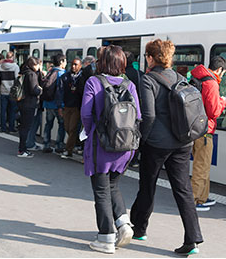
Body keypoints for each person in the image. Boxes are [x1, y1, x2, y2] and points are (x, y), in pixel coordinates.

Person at [130, 38, 204, 255]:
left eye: (146, 56)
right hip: (183, 142)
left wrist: (143, 139)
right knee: (183, 190)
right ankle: (193, 239)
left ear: (151, 58)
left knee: (148, 185)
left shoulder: (148, 80)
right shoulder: (181, 78)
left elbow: (149, 115)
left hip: (157, 144)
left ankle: (140, 229)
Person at [80, 45, 141, 254]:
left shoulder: (94, 82)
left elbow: (86, 114)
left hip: (101, 145)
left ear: (102, 62)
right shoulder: (130, 84)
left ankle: (105, 237)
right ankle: (123, 224)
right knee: (113, 185)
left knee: (101, 190)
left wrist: (90, 132)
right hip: (125, 147)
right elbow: (138, 116)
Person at [189, 56, 226, 211]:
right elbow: (214, 111)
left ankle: (202, 197)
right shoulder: (211, 82)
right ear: (219, 70)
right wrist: (223, 101)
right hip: (205, 130)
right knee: (201, 167)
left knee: (203, 165)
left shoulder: (197, 77)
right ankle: (193, 201)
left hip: (195, 127)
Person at [17, 56, 43, 158]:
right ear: (34, 65)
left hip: (22, 102)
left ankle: (22, 149)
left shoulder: (23, 72)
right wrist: (40, 90)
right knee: (26, 127)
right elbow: (34, 90)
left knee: (23, 127)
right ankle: (22, 150)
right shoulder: (31, 74)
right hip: (29, 104)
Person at [42, 53, 66, 153]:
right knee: (61, 124)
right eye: (65, 61)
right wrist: (61, 106)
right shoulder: (62, 74)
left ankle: (46, 144)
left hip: (48, 103)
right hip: (58, 104)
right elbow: (61, 91)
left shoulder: (50, 72)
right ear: (61, 62)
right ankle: (59, 145)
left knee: (48, 124)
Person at [60, 57, 83, 159]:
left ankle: (68, 150)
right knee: (67, 128)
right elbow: (60, 92)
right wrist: (60, 106)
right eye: (72, 64)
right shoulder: (65, 77)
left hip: (77, 107)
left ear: (80, 66)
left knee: (72, 128)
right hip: (66, 106)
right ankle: (76, 143)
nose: (73, 66)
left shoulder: (82, 78)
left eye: (76, 64)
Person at [0, 51, 19, 133]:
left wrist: (1, 88)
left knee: (3, 110)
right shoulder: (15, 67)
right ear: (12, 57)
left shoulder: (0, 66)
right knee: (12, 110)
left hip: (3, 91)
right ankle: (11, 127)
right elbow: (17, 80)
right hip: (12, 92)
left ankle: (3, 127)